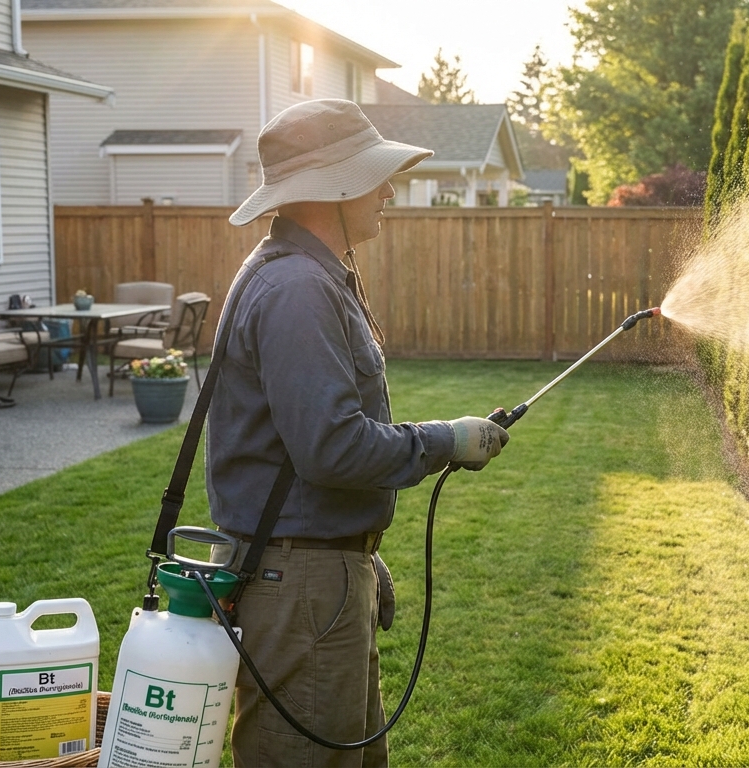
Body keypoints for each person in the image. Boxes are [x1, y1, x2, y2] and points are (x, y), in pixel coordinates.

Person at [209, 98, 509, 767]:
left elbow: (297, 451)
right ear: (334, 189)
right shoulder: (297, 289)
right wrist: (445, 441)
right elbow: (330, 446)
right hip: (303, 587)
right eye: (375, 176)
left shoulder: (304, 275)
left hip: (316, 571)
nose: (389, 190)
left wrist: (357, 550)